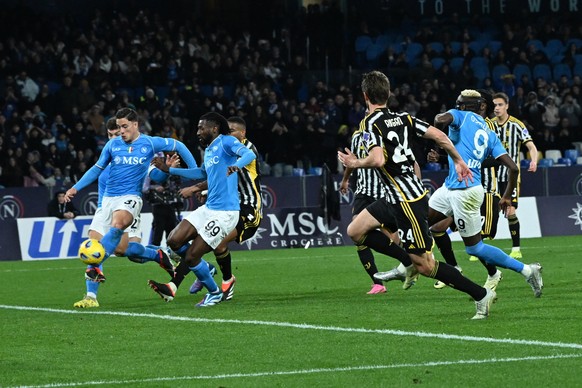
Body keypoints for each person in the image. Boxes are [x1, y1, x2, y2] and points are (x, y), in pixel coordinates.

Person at [338, 71, 498, 320]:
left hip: (406, 202)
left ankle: (480, 294)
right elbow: (441, 136)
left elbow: (378, 159)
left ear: (365, 96)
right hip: (394, 196)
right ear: (388, 94)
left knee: (426, 266)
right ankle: (407, 261)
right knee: (355, 230)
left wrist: (354, 162)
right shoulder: (404, 118)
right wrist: (458, 161)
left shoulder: (368, 124)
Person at [429, 89, 543, 300]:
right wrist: (507, 195)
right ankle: (415, 265)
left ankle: (526, 270)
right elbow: (513, 168)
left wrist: (437, 143)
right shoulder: (490, 133)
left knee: (475, 248)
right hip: (451, 187)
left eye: (459, 103)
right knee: (424, 222)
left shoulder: (460, 115)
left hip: (466, 191)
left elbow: (438, 119)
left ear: (463, 105)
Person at [64, 107, 198, 285]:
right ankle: (157, 254)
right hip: (108, 200)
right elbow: (97, 168)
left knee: (118, 224)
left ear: (136, 125)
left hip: (130, 198)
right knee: (122, 250)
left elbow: (178, 146)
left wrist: (193, 169)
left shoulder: (149, 143)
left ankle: (95, 267)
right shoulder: (112, 145)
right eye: (119, 127)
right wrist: (76, 187)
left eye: (125, 126)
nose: (121, 131)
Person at [147, 112, 256, 307]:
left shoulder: (226, 142)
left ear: (214, 128)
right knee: (173, 240)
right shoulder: (210, 149)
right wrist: (168, 170)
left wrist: (236, 166)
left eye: (201, 127)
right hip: (208, 208)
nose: (198, 131)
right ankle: (203, 268)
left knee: (191, 256)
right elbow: (201, 172)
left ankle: (214, 292)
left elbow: (249, 154)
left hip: (225, 213)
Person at [73, 117, 180, 308]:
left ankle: (158, 255)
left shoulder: (137, 154)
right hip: (105, 208)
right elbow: (100, 184)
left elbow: (156, 176)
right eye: (111, 135)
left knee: (125, 251)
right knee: (94, 247)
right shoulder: (107, 155)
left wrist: (166, 170)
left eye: (118, 133)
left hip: (128, 205)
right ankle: (91, 297)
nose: (115, 138)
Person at [172, 116, 263, 301]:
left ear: (242, 133)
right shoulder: (221, 146)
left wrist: (197, 187)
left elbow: (233, 168)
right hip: (229, 205)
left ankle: (183, 281)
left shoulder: (246, 148)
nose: (228, 134)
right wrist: (206, 190)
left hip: (248, 209)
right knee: (215, 243)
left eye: (232, 131)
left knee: (204, 244)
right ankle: (223, 279)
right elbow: (216, 175)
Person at [339, 112, 415, 295]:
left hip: (385, 193)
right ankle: (377, 282)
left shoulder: (387, 134)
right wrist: (345, 180)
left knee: (393, 240)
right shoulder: (358, 137)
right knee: (357, 233)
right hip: (364, 193)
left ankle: (410, 264)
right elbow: (352, 160)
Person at [491, 92, 539, 259]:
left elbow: (531, 147)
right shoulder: (488, 125)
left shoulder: (517, 125)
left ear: (507, 106)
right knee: (487, 211)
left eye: (500, 105)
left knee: (510, 211)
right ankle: (478, 245)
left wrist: (534, 161)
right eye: (494, 105)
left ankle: (516, 247)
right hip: (491, 175)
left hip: (511, 176)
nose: (496, 108)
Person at [144, 155, 182, 246]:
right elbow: (144, 188)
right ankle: (155, 250)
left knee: (171, 228)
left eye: (161, 158)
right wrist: (155, 187)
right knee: (158, 228)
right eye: (157, 158)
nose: (160, 160)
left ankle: (171, 250)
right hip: (158, 204)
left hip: (170, 203)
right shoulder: (150, 172)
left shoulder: (168, 170)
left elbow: (177, 184)